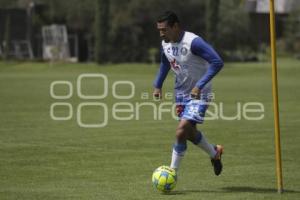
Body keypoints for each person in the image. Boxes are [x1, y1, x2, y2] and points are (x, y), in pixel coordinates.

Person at [153, 11, 224, 176]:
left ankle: (172, 173)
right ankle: (215, 153)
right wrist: (158, 85)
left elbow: (217, 62)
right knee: (189, 133)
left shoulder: (193, 42)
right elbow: (166, 62)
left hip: (200, 94)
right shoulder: (166, 44)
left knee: (181, 131)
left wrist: (199, 86)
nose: (161, 33)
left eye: (164, 29)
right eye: (159, 30)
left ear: (175, 26)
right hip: (181, 95)